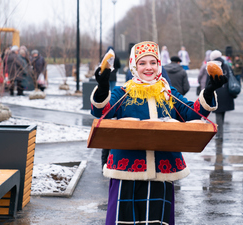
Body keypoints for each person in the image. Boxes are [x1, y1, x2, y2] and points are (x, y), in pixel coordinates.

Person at [90, 41, 226, 224]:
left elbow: (192, 113)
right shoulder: (123, 92)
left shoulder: (168, 93)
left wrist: (208, 91)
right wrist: (102, 87)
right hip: (126, 172)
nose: (149, 68)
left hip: (162, 171)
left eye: (153, 63)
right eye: (142, 63)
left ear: (159, 65)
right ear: (134, 65)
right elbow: (101, 111)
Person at [208, 50, 235, 139]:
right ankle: (220, 133)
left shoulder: (212, 66)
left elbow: (209, 81)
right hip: (226, 93)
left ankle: (219, 135)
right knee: (221, 114)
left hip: (217, 93)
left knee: (218, 115)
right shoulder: (227, 65)